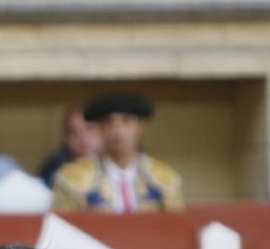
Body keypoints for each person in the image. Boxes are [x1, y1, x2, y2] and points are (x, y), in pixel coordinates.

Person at [51, 91, 183, 212]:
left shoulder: (165, 180)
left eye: (126, 121)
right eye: (109, 122)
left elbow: (175, 225)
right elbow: (63, 227)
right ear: (100, 128)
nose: (117, 130)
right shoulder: (71, 179)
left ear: (139, 126)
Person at [37, 105, 102, 190]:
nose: (83, 137)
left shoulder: (111, 161)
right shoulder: (55, 169)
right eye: (73, 132)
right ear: (65, 139)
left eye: (89, 128)